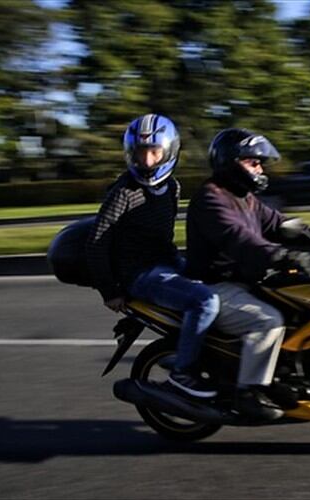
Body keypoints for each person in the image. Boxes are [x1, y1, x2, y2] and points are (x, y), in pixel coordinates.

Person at [185, 128, 310, 421]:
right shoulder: (210, 199)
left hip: (244, 281)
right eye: (253, 162)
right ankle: (248, 391)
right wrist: (284, 255)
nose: (260, 169)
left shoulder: (245, 197)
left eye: (260, 163)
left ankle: (285, 378)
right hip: (216, 285)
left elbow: (279, 224)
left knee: (305, 307)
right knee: (267, 321)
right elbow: (240, 240)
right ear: (230, 162)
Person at [85, 113, 220, 400]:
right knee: (204, 301)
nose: (146, 161)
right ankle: (183, 375)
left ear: (169, 151)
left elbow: (165, 238)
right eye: (140, 153)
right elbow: (96, 243)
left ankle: (204, 355)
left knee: (222, 281)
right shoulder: (123, 192)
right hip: (140, 275)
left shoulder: (172, 187)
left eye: (154, 152)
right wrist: (109, 290)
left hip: (166, 262)